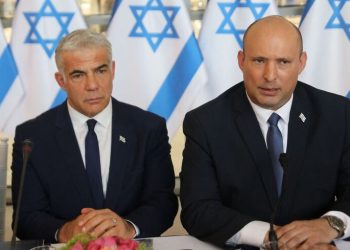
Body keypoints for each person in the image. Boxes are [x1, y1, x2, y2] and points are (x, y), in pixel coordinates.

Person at [180, 15, 350, 250]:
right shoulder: (205, 122)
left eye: (283, 62)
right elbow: (197, 210)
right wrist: (274, 238)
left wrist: (330, 224)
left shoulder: (338, 114)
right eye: (259, 60)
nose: (270, 76)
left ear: (302, 63)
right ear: (241, 60)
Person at [11, 29, 178, 243]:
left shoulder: (148, 128)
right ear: (61, 80)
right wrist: (64, 231)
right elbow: (25, 218)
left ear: (113, 70)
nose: (92, 85)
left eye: (100, 71)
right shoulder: (32, 136)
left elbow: (163, 202)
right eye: (78, 75)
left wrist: (128, 228)